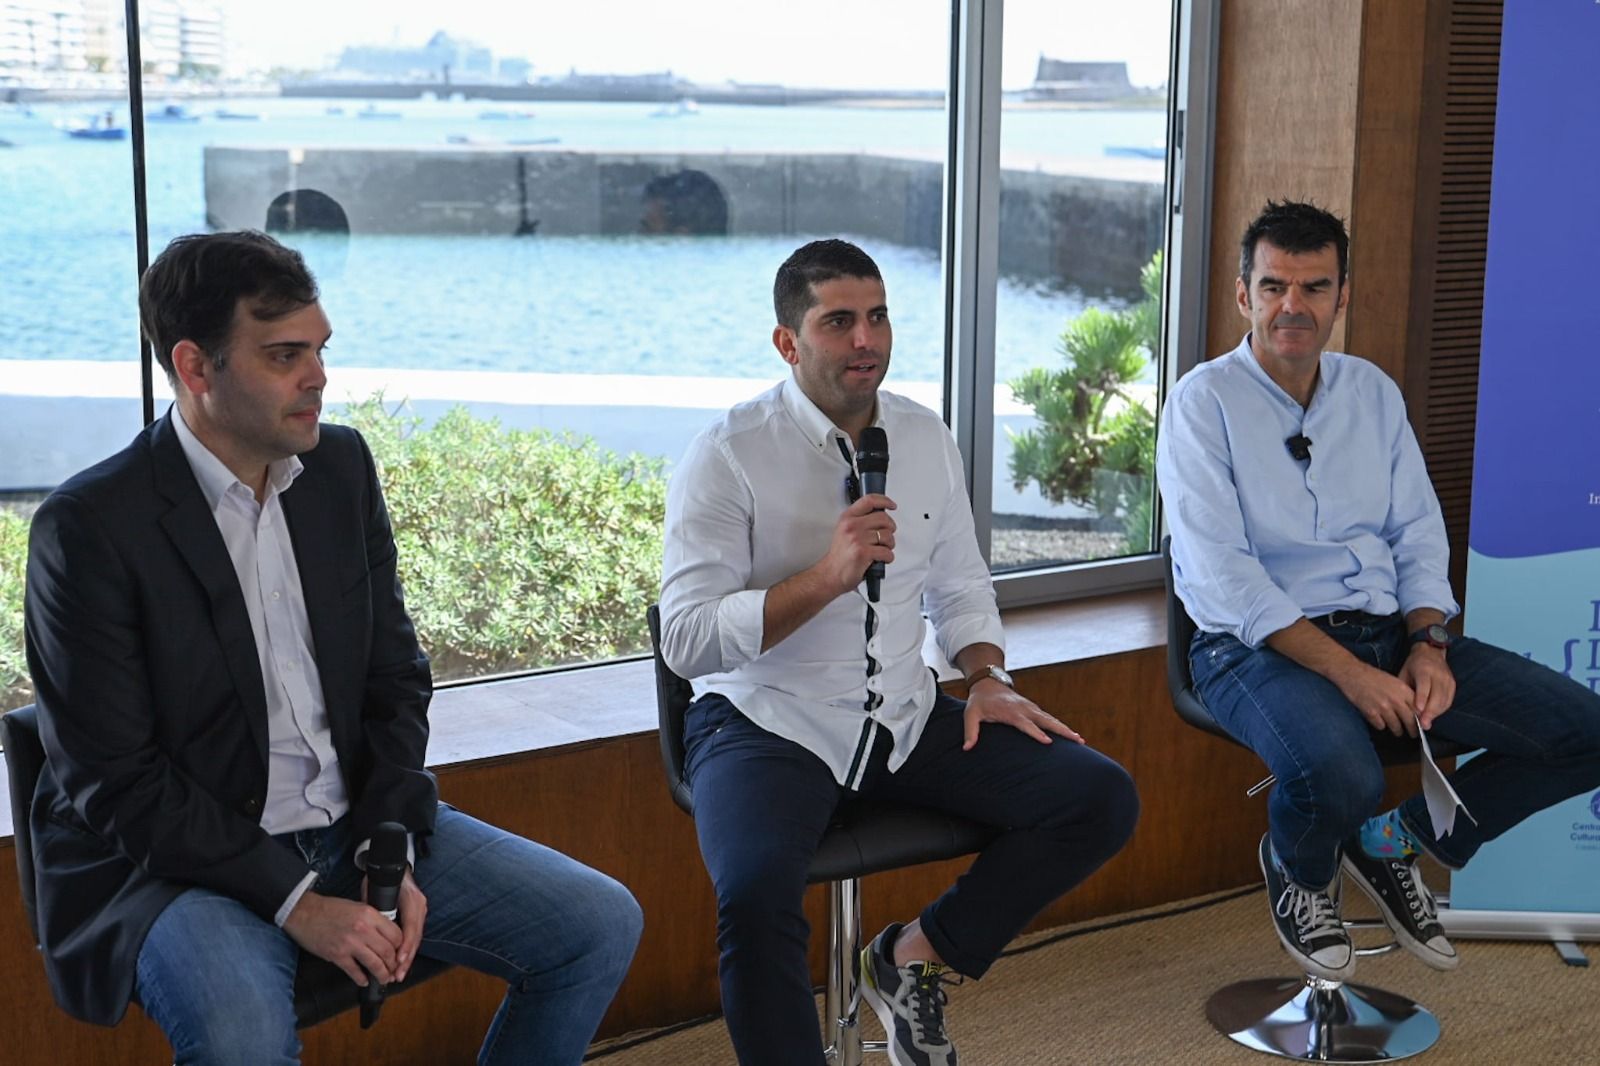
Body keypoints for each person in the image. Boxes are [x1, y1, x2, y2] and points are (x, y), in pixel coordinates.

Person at [23, 231, 642, 1065]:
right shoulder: (92, 527)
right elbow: (118, 784)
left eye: (319, 349)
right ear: (197, 368)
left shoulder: (341, 468)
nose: (317, 376)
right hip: (173, 864)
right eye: (284, 355)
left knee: (597, 926)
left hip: (349, 823)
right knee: (242, 1040)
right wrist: (298, 901)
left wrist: (389, 846)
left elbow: (395, 682)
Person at [659, 238, 1139, 1065]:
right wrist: (827, 576)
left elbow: (961, 586)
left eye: (878, 317)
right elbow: (688, 640)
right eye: (838, 321)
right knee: (752, 895)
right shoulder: (728, 452)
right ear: (788, 341)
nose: (866, 340)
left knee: (1098, 797)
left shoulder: (923, 435)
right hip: (767, 723)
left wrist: (986, 677)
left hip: (905, 717)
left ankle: (912, 955)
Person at [1157, 199, 1600, 983]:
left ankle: (1390, 844)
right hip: (1250, 649)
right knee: (1347, 772)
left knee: (1585, 732)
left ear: (1342, 296)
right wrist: (1350, 673)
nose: (1291, 306)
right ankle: (1298, 871)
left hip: (1390, 633)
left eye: (1314, 287)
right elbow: (1226, 578)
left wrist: (1429, 641)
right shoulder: (1202, 403)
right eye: (1273, 287)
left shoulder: (1372, 393)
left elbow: (1417, 534)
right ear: (1242, 294)